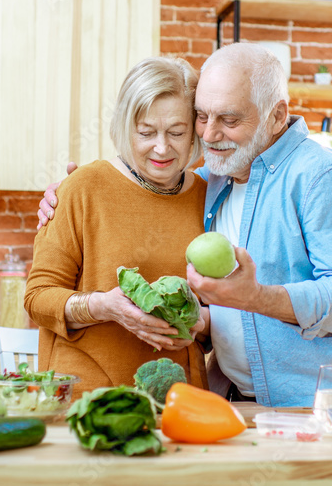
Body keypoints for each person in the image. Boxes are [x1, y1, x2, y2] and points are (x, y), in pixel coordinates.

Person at [39, 44, 332, 407]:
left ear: (276, 115)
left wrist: (257, 298)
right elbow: (140, 191)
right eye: (201, 117)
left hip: (317, 404)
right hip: (234, 400)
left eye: (230, 120)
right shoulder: (213, 181)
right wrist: (67, 193)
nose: (208, 134)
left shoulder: (322, 177)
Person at [25, 56, 209, 396]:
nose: (162, 147)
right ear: (126, 127)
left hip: (180, 400)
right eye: (146, 132)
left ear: (195, 131)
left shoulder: (208, 197)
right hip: (88, 398)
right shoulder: (84, 186)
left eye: (177, 132)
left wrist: (202, 323)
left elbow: (221, 313)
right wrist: (102, 306)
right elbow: (38, 298)